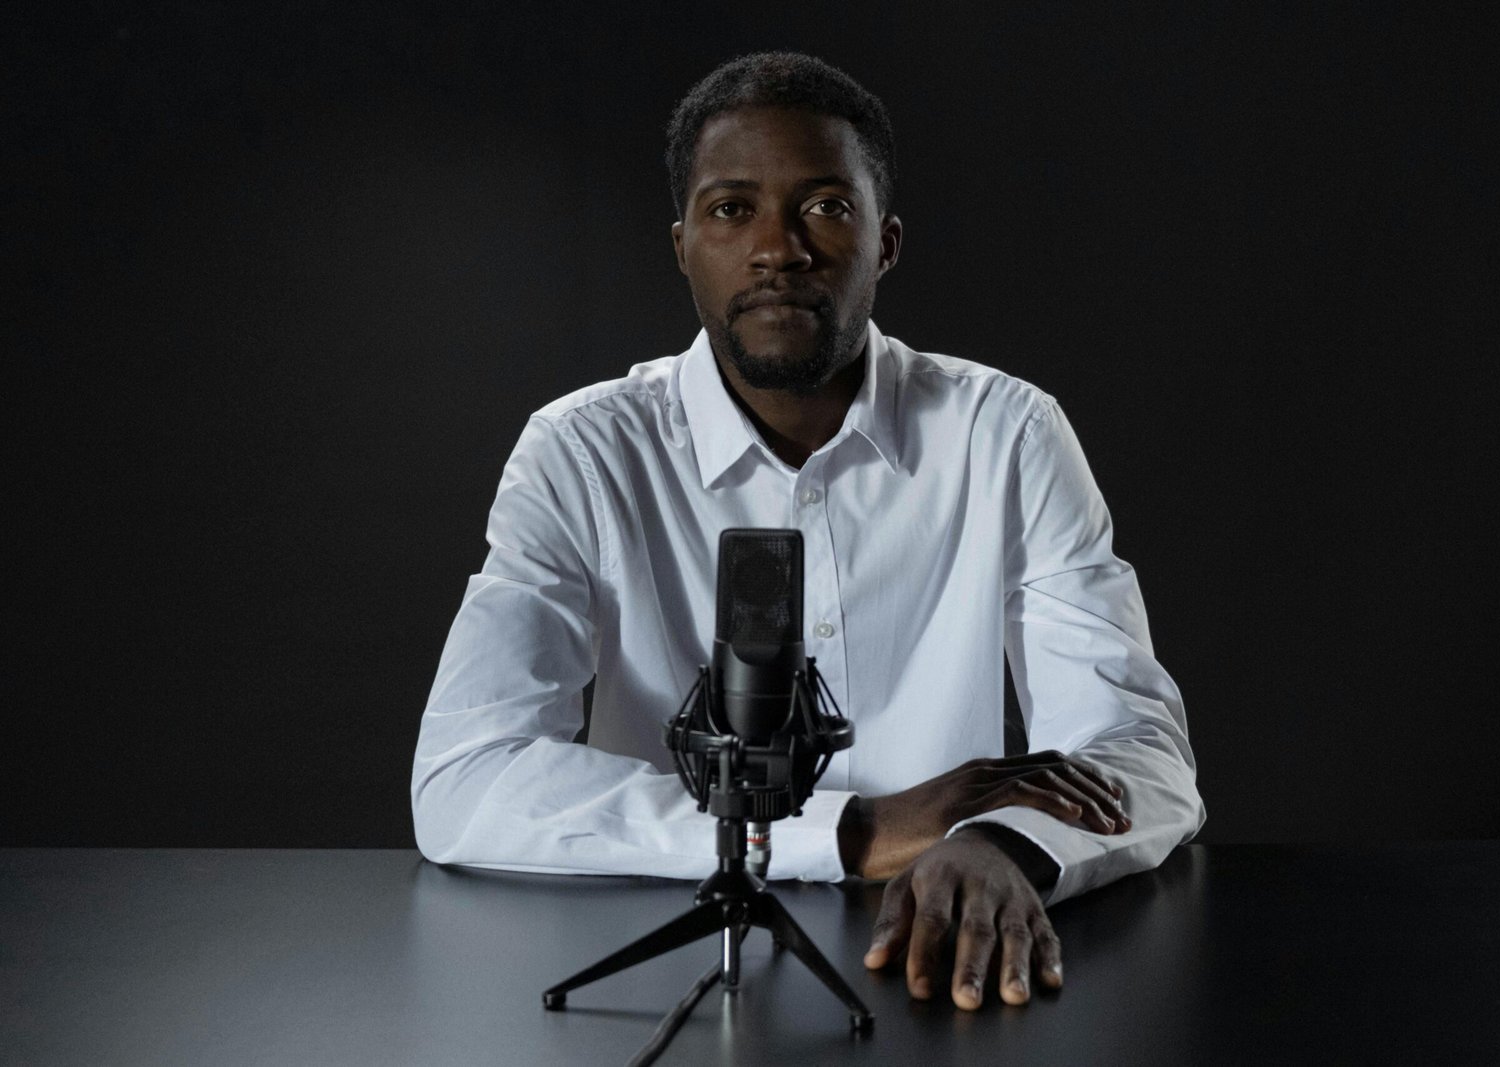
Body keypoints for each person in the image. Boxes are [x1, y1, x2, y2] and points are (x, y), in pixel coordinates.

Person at [412, 51, 1204, 1012]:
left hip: (937, 963)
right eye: (730, 208)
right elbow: (467, 780)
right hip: (666, 973)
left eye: (825, 207)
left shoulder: (1008, 436)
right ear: (682, 244)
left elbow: (1141, 756)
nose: (777, 248)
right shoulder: (581, 453)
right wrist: (851, 832)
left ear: (888, 242)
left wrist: (1003, 842)